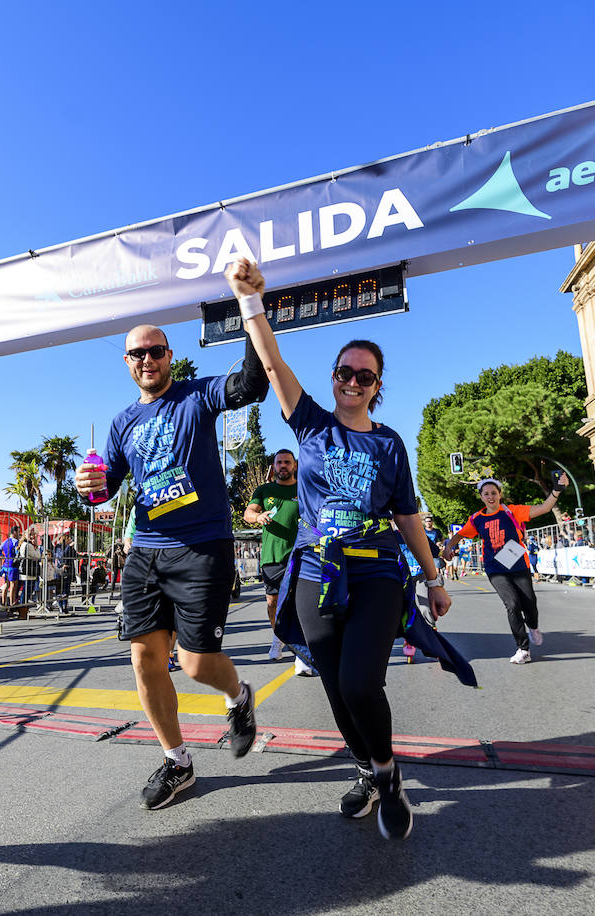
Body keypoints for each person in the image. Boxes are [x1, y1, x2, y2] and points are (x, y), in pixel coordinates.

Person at [227, 257, 472, 839]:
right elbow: (272, 361)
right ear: (334, 376)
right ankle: (366, 768)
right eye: (345, 372)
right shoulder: (311, 423)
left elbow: (408, 516)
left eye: (365, 375)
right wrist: (249, 300)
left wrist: (434, 579)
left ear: (377, 386)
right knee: (335, 685)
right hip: (316, 571)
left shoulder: (389, 445)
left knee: (362, 682)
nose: (353, 382)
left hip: (377, 571)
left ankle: (387, 774)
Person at [74, 311, 267, 811]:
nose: (147, 360)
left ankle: (238, 696)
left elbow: (252, 384)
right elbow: (105, 488)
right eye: (137, 353)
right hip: (146, 548)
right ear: (127, 362)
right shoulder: (123, 422)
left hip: (202, 546)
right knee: (144, 660)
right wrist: (88, 487)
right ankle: (178, 761)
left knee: (196, 663)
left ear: (170, 356)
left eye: (155, 351)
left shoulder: (197, 396)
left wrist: (251, 313)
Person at [450, 475, 565, 663]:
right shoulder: (477, 518)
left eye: (493, 493)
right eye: (486, 494)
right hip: (495, 568)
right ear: (481, 496)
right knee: (512, 604)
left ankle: (533, 626)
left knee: (529, 603)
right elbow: (460, 534)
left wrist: (557, 490)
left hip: (518, 563)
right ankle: (523, 649)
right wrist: (449, 547)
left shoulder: (512, 511)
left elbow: (544, 508)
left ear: (500, 494)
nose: (490, 497)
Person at [244, 449, 315, 676]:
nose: (283, 465)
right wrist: (258, 517)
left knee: (298, 602)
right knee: (273, 602)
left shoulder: (303, 489)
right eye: (279, 462)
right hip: (272, 556)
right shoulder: (264, 490)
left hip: (300, 555)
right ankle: (278, 637)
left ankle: (301, 654)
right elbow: (248, 513)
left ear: (294, 466)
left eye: (287, 462)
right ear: (274, 466)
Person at [0, 526, 20, 606]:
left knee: (6, 584)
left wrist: (3, 557)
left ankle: (3, 603)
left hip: (5, 566)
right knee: (13, 585)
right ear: (14, 532)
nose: (19, 534)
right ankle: (12, 603)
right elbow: (18, 553)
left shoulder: (5, 541)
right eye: (18, 532)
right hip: (13, 566)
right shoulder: (16, 542)